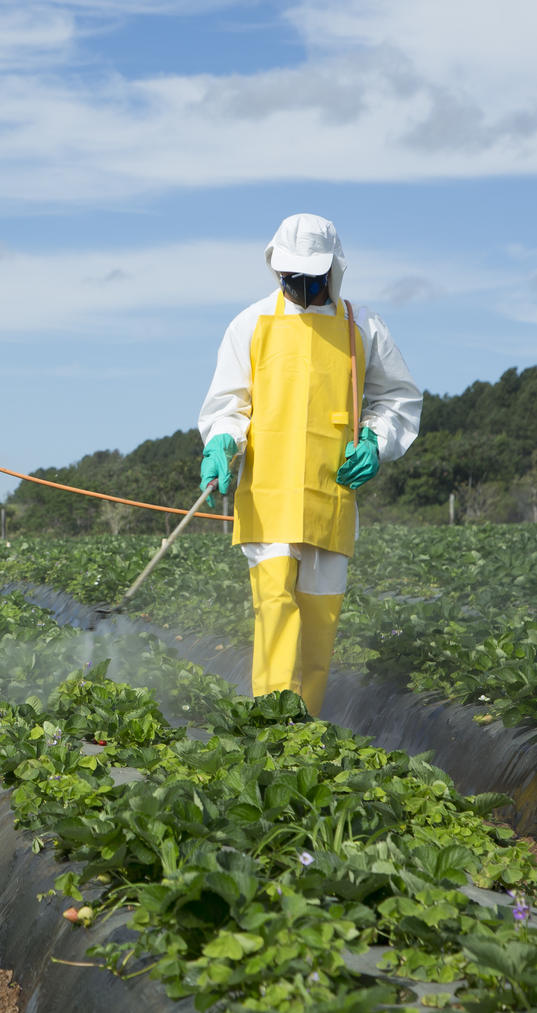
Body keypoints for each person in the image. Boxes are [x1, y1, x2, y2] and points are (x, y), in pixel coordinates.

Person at [196, 213, 420, 715]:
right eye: (290, 277)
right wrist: (222, 443)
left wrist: (375, 442)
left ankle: (304, 733)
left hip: (330, 495)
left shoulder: (362, 326)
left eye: (309, 277)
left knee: (319, 626)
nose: (300, 286)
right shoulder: (250, 323)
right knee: (274, 611)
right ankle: (269, 731)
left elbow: (398, 400)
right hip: (268, 496)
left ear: (333, 271)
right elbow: (229, 405)